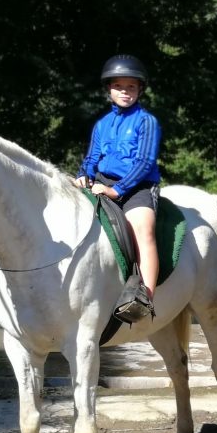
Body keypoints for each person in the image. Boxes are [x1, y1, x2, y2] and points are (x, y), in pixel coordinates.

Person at [75, 54, 161, 324]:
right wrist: (82, 176)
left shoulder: (147, 121)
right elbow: (92, 157)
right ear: (109, 90)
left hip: (137, 186)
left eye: (131, 87)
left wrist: (119, 189)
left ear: (139, 90)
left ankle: (144, 296)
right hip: (102, 182)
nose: (125, 91)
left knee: (143, 228)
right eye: (119, 86)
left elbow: (146, 161)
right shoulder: (102, 124)